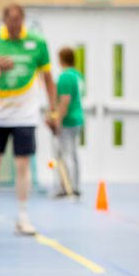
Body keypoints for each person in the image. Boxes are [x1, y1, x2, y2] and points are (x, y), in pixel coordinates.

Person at [0, 4, 57, 235]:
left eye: (18, 20)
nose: (14, 24)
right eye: (10, 20)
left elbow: (47, 77)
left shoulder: (37, 43)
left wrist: (52, 110)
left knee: (22, 164)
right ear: (4, 20)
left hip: (25, 114)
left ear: (23, 20)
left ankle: (23, 215)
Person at [50, 47, 85, 197]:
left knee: (64, 154)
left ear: (61, 59)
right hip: (77, 118)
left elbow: (65, 100)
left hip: (68, 120)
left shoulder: (65, 77)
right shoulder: (78, 75)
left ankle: (66, 187)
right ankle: (75, 185)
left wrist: (58, 119)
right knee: (73, 152)